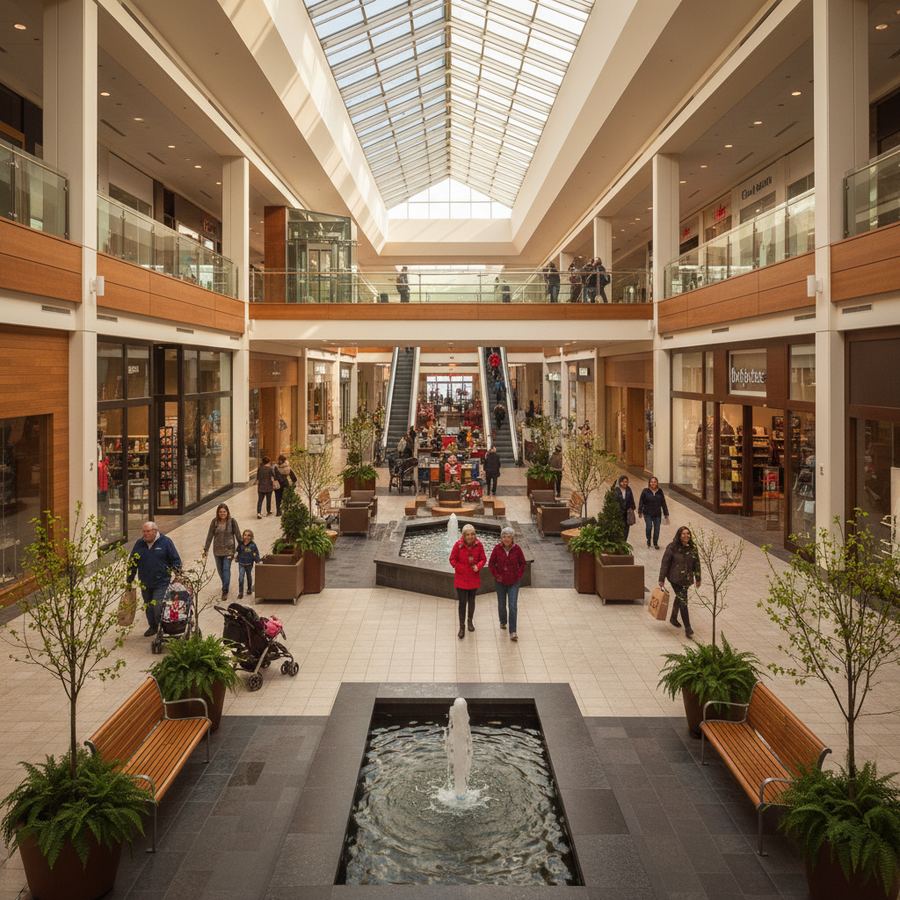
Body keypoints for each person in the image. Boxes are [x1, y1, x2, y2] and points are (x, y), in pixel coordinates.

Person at [127, 521, 182, 638]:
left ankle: (162, 627)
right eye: (144, 531)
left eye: (148, 531)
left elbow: (175, 560)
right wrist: (129, 579)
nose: (145, 534)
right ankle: (153, 627)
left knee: (157, 605)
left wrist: (178, 574)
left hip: (161, 581)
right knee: (148, 606)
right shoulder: (139, 543)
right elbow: (132, 562)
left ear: (155, 531)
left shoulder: (166, 542)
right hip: (145, 582)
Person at [658, 525, 700, 638]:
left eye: (688, 533)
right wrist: (661, 579)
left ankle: (673, 617)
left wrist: (698, 578)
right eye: (683, 534)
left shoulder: (693, 548)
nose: (686, 536)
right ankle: (688, 628)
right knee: (683, 601)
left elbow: (697, 563)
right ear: (679, 535)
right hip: (675, 578)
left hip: (687, 579)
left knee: (680, 597)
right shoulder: (672, 547)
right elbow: (665, 563)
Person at [489, 526, 527, 641]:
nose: (506, 539)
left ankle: (513, 631)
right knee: (501, 604)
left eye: (509, 537)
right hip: (500, 582)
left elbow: (523, 563)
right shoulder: (497, 549)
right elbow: (491, 564)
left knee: (512, 605)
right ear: (501, 538)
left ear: (512, 538)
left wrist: (518, 575)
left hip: (514, 582)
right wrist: (497, 575)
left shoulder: (517, 549)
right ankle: (503, 621)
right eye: (504, 537)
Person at [449, 524, 486, 639]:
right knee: (462, 603)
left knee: (472, 601)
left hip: (473, 578)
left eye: (472, 534)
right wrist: (459, 567)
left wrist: (478, 566)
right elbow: (452, 559)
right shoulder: (458, 545)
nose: (470, 537)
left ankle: (470, 621)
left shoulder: (479, 545)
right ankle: (462, 626)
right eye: (468, 535)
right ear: (464, 536)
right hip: (461, 579)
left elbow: (483, 559)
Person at [203, 503, 242, 598]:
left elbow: (238, 535)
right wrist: (206, 549)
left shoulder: (232, 522)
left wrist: (241, 548)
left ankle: (225, 590)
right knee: (220, 571)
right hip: (217, 551)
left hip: (229, 550)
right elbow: (210, 536)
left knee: (226, 569)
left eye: (224, 511)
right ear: (218, 513)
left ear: (227, 512)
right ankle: (225, 583)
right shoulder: (214, 522)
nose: (222, 513)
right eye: (220, 512)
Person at [638, 476, 670, 549]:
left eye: (655, 482)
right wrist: (640, 511)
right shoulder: (645, 491)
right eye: (651, 482)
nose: (653, 483)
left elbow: (663, 503)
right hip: (647, 513)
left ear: (657, 483)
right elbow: (641, 501)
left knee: (657, 529)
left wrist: (666, 514)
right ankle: (648, 540)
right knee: (649, 527)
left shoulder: (660, 491)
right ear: (649, 483)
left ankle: (655, 543)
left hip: (657, 514)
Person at [236, 529, 260, 600]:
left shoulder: (253, 545)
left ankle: (249, 589)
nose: (246, 537)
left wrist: (258, 561)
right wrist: (236, 557)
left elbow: (255, 554)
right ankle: (240, 592)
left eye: (249, 535)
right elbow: (237, 551)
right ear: (243, 536)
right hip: (241, 564)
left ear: (251, 537)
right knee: (241, 578)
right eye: (245, 535)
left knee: (249, 577)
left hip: (249, 564)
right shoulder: (240, 544)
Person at [614, 474, 636, 540]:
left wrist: (632, 508)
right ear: (620, 482)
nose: (625, 483)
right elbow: (613, 500)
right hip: (618, 513)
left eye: (626, 482)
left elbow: (632, 499)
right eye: (623, 482)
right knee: (619, 528)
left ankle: (624, 541)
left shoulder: (629, 489)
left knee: (626, 529)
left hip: (627, 513)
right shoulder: (616, 490)